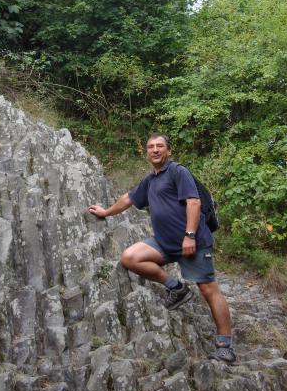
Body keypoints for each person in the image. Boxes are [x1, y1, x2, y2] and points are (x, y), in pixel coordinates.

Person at [88, 132, 236, 363]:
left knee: (209, 290)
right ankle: (176, 288)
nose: (155, 150)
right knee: (130, 257)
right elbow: (128, 198)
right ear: (147, 152)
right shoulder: (150, 180)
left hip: (193, 242)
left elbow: (194, 202)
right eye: (151, 147)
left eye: (160, 146)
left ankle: (225, 345)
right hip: (165, 244)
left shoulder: (178, 172)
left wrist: (189, 236)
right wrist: (106, 212)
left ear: (169, 150)